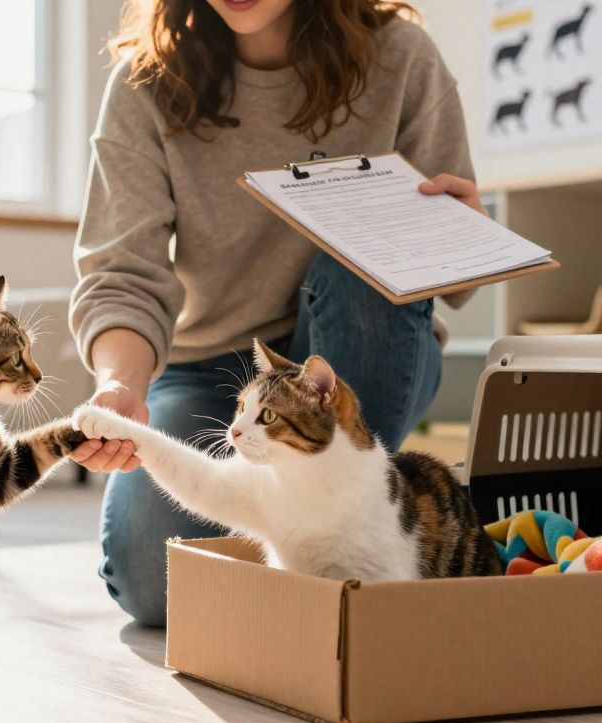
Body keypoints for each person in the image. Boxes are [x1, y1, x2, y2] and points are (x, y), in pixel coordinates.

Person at [67, 0, 486, 627]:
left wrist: (463, 231)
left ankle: (358, 535)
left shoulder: (401, 55)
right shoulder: (143, 82)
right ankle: (322, 554)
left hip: (362, 342)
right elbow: (123, 274)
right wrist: (120, 386)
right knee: (153, 585)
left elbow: (455, 286)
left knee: (361, 256)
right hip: (215, 365)